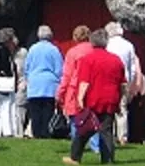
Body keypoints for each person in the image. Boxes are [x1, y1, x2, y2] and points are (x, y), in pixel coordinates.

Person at [62, 28, 125, 166]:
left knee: (84, 129)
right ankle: (108, 160)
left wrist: (79, 99)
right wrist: (120, 101)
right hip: (110, 99)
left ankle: (75, 157)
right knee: (106, 131)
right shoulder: (116, 60)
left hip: (93, 99)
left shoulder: (88, 59)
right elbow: (122, 84)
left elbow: (84, 82)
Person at [24, 25, 63, 138]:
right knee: (47, 110)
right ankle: (46, 133)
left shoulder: (32, 49)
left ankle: (36, 133)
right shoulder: (54, 50)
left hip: (35, 83)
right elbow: (59, 69)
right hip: (49, 84)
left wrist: (28, 78)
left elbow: (27, 67)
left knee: (35, 111)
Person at [105, 22, 136, 144]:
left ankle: (110, 135)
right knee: (122, 109)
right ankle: (122, 137)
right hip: (124, 80)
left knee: (109, 108)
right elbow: (132, 67)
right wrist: (130, 81)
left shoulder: (107, 45)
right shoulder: (129, 45)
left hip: (109, 80)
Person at [57, 26, 94, 121]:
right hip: (93, 89)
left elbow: (67, 76)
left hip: (75, 90)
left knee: (76, 125)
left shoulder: (72, 52)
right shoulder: (94, 50)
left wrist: (60, 93)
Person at [0, 27, 21, 137]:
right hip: (4, 84)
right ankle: (8, 131)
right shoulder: (4, 52)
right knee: (6, 107)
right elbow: (5, 69)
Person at [13, 35, 30, 138]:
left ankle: (19, 132)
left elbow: (21, 70)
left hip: (21, 83)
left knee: (20, 108)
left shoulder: (22, 53)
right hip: (11, 85)